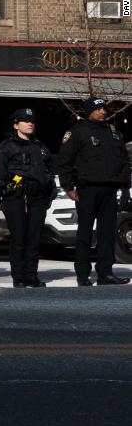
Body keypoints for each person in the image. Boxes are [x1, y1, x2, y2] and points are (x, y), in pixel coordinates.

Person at [54, 97, 131, 286]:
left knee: (107, 234)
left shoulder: (114, 134)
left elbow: (123, 162)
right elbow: (64, 162)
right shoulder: (77, 132)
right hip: (87, 189)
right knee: (85, 233)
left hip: (109, 190)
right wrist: (68, 187)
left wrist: (125, 187)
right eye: (99, 109)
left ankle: (105, 273)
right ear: (89, 111)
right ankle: (83, 274)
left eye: (105, 109)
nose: (103, 112)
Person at [0, 108, 55, 288]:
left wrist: (50, 194)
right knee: (19, 238)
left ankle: (31, 275)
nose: (30, 123)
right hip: (15, 198)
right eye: (26, 121)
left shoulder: (40, 147)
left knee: (34, 239)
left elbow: (49, 171)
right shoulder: (7, 147)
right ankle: (18, 276)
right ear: (16, 125)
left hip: (37, 199)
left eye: (32, 120)